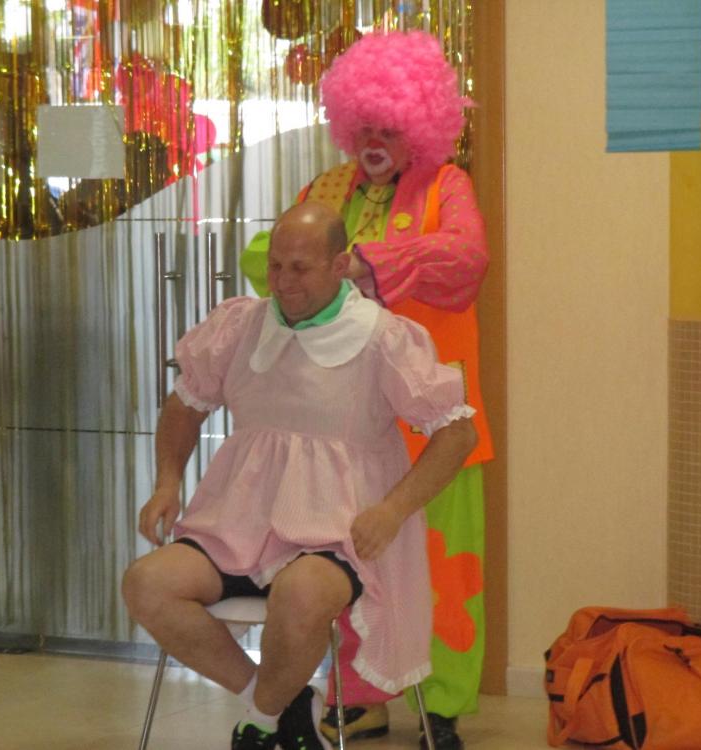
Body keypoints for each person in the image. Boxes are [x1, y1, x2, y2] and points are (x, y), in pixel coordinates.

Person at [123, 201, 477, 750]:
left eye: (300, 268)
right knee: (146, 584)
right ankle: (276, 707)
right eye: (276, 266)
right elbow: (185, 405)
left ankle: (259, 725)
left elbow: (456, 433)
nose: (283, 281)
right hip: (238, 524)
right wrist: (167, 482)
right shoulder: (241, 325)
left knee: (301, 592)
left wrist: (393, 510)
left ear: (339, 266)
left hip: (339, 530)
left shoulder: (382, 338)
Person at [239, 31, 493, 750]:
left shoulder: (447, 185)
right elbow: (265, 255)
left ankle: (441, 706)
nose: (376, 142)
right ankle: (358, 699)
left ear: (420, 125)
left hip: (435, 422)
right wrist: (314, 268)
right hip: (343, 426)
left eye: (391, 128)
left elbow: (466, 258)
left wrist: (365, 264)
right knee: (352, 563)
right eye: (366, 128)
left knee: (446, 572)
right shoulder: (324, 192)